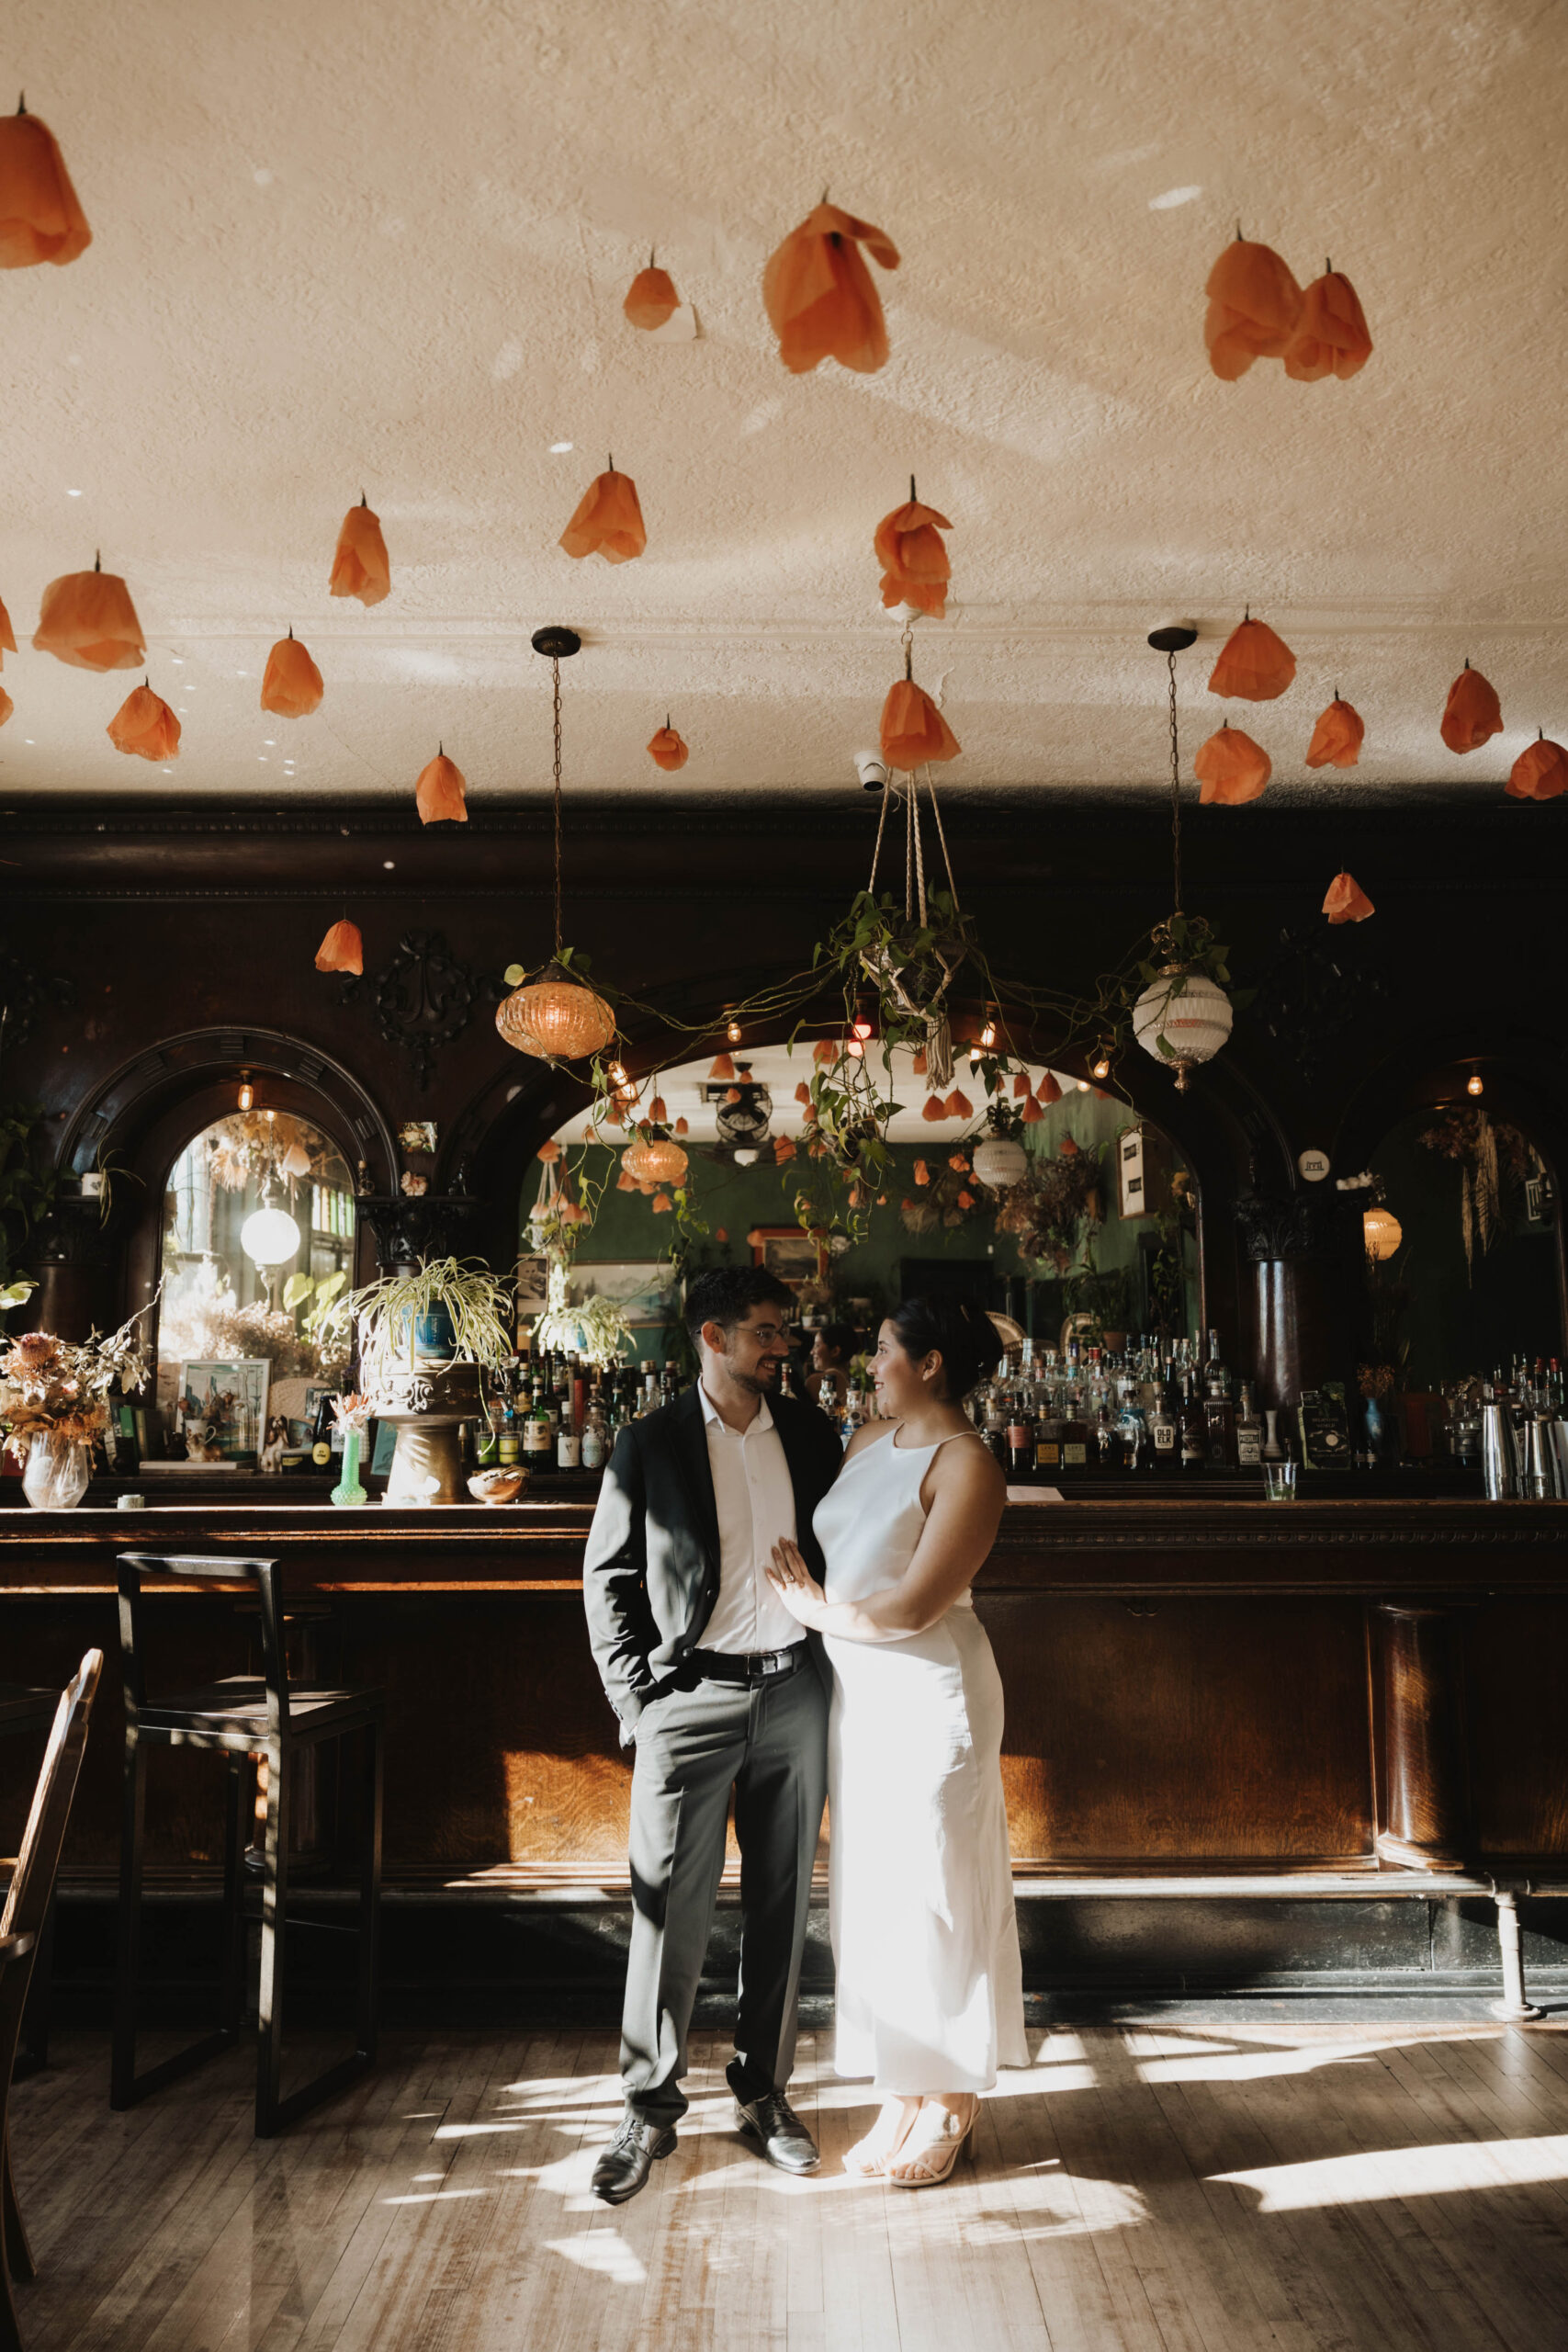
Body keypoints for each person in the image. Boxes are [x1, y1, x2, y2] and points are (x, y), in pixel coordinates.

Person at [581, 1265, 844, 2206]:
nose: (784, 1345)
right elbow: (607, 1579)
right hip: (687, 1700)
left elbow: (846, 1546)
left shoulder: (812, 1433)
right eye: (767, 1331)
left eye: (783, 1331)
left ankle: (764, 2092)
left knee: (783, 1905)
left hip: (794, 1695)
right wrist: (637, 1701)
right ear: (714, 1337)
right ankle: (647, 2109)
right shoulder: (648, 1443)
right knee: (666, 1909)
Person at [767, 1295, 1027, 2188]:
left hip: (931, 1692)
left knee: (937, 1891)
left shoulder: (969, 1466)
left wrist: (817, 1612)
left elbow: (916, 1603)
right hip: (862, 1696)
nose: (866, 1365)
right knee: (875, 1894)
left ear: (930, 1365)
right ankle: (902, 2089)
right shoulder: (867, 1443)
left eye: (882, 1352)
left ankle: (953, 2098)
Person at [805, 1321, 856, 1415]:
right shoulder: (849, 1379)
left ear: (835, 1351)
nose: (812, 1352)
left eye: (817, 1345)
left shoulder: (818, 1381)